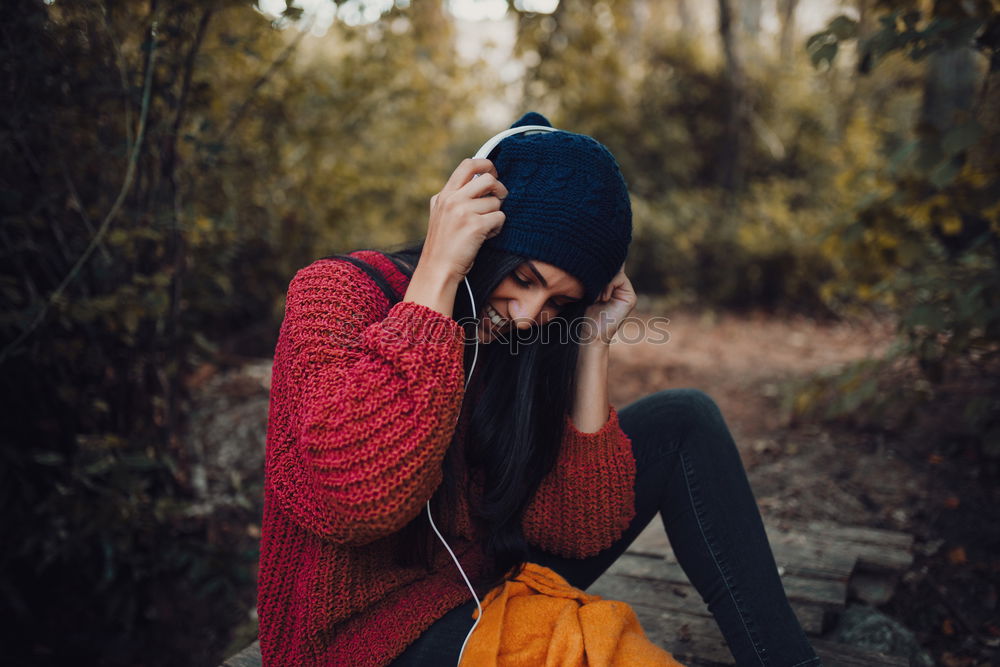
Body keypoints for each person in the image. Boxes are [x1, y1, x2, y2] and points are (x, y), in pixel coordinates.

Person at [256, 112, 821, 666]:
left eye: (558, 302)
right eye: (524, 279)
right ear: (481, 237)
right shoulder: (337, 292)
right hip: (363, 636)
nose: (528, 315)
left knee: (686, 419)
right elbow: (361, 496)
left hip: (483, 582)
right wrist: (438, 277)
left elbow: (582, 530)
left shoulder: (527, 338)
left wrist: (592, 342)